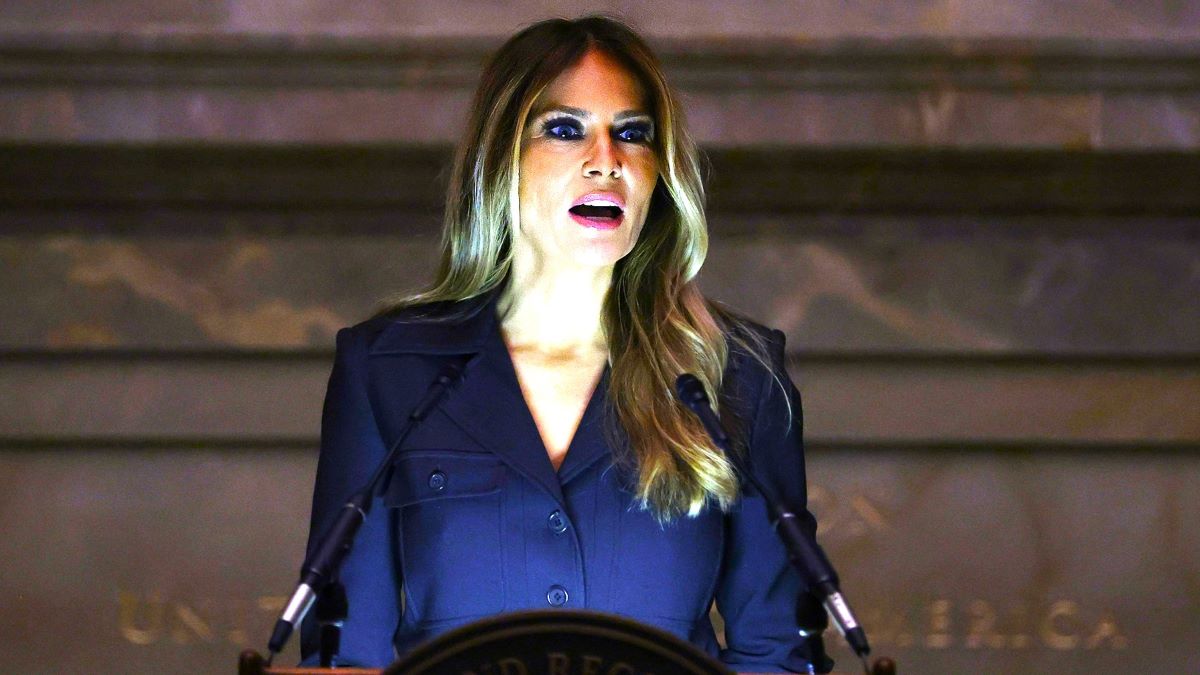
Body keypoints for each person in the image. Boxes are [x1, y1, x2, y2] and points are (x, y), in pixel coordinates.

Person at [300, 14, 822, 673]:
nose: (606, 161)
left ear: (659, 173)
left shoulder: (736, 371)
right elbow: (344, 650)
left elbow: (777, 649)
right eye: (565, 129)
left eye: (633, 134)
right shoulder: (388, 368)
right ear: (502, 159)